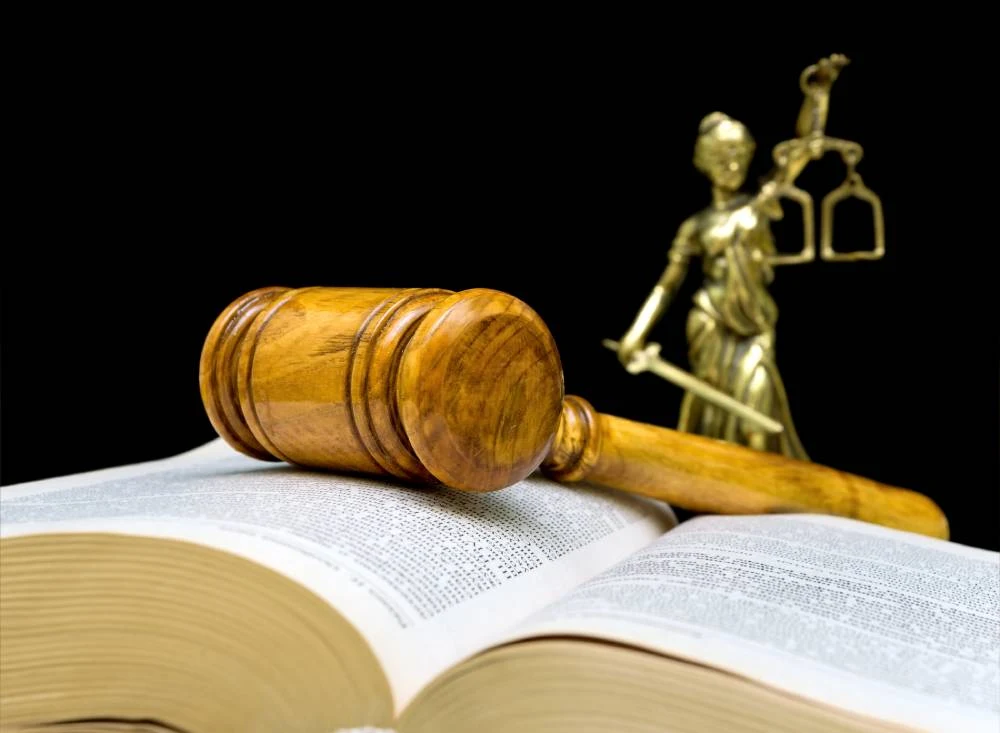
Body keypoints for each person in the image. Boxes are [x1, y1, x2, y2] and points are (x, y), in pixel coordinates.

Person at [616, 55, 849, 460]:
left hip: (753, 327)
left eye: (739, 154)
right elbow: (667, 284)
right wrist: (636, 334)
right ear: (704, 163)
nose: (732, 164)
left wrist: (818, 97)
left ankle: (764, 509)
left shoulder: (760, 205)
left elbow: (804, 153)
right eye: (721, 156)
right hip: (710, 325)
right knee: (712, 429)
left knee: (754, 420)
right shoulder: (696, 226)